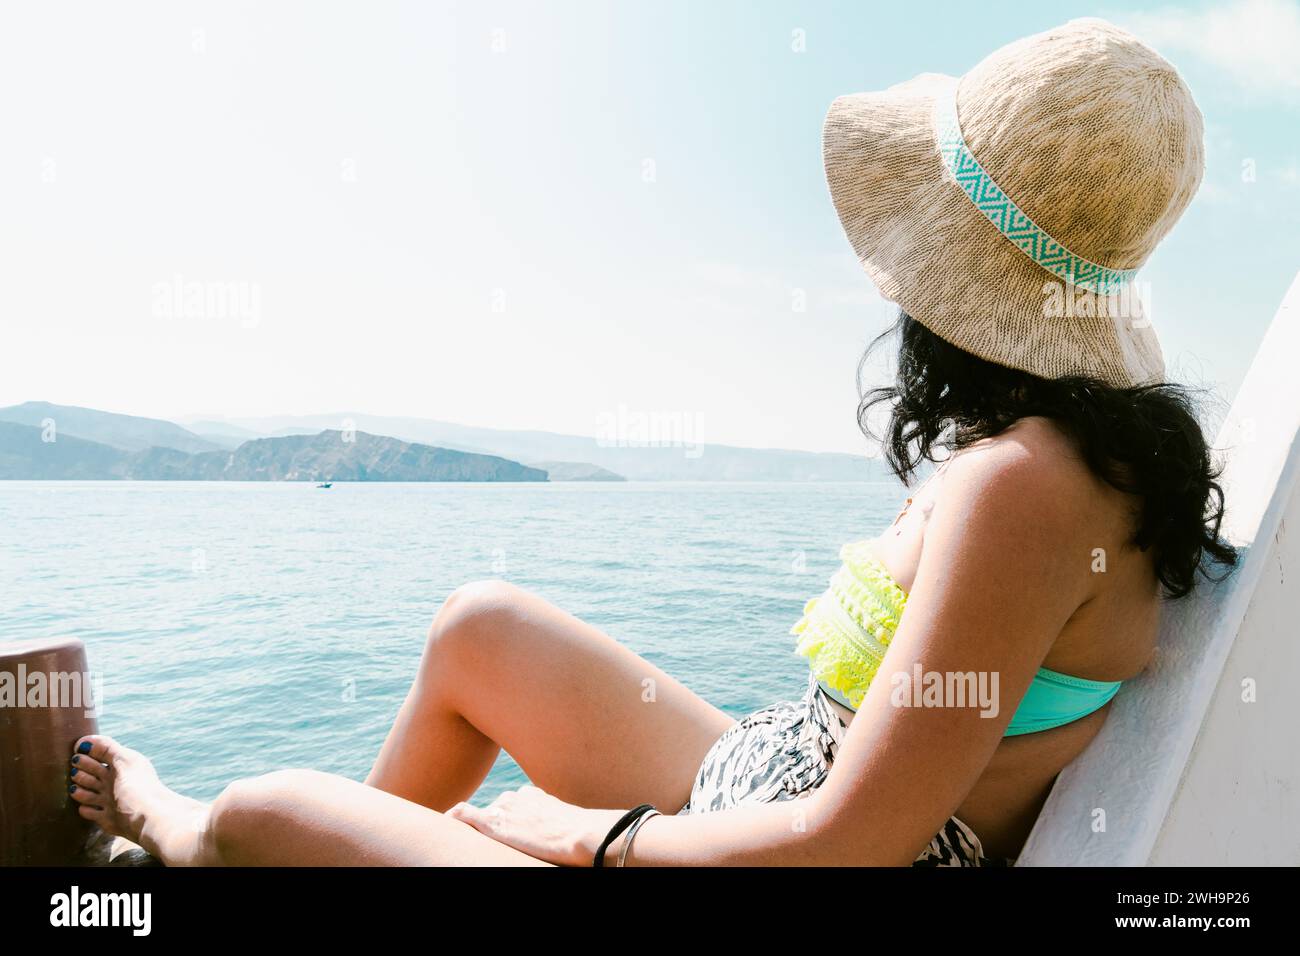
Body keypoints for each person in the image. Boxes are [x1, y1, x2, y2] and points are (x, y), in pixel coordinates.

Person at [66, 18, 1236, 866]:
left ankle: (181, 830)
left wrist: (601, 836)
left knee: (262, 806)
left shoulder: (1026, 485)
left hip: (795, 856)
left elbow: (856, 840)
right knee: (478, 627)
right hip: (765, 777)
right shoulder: (1069, 455)